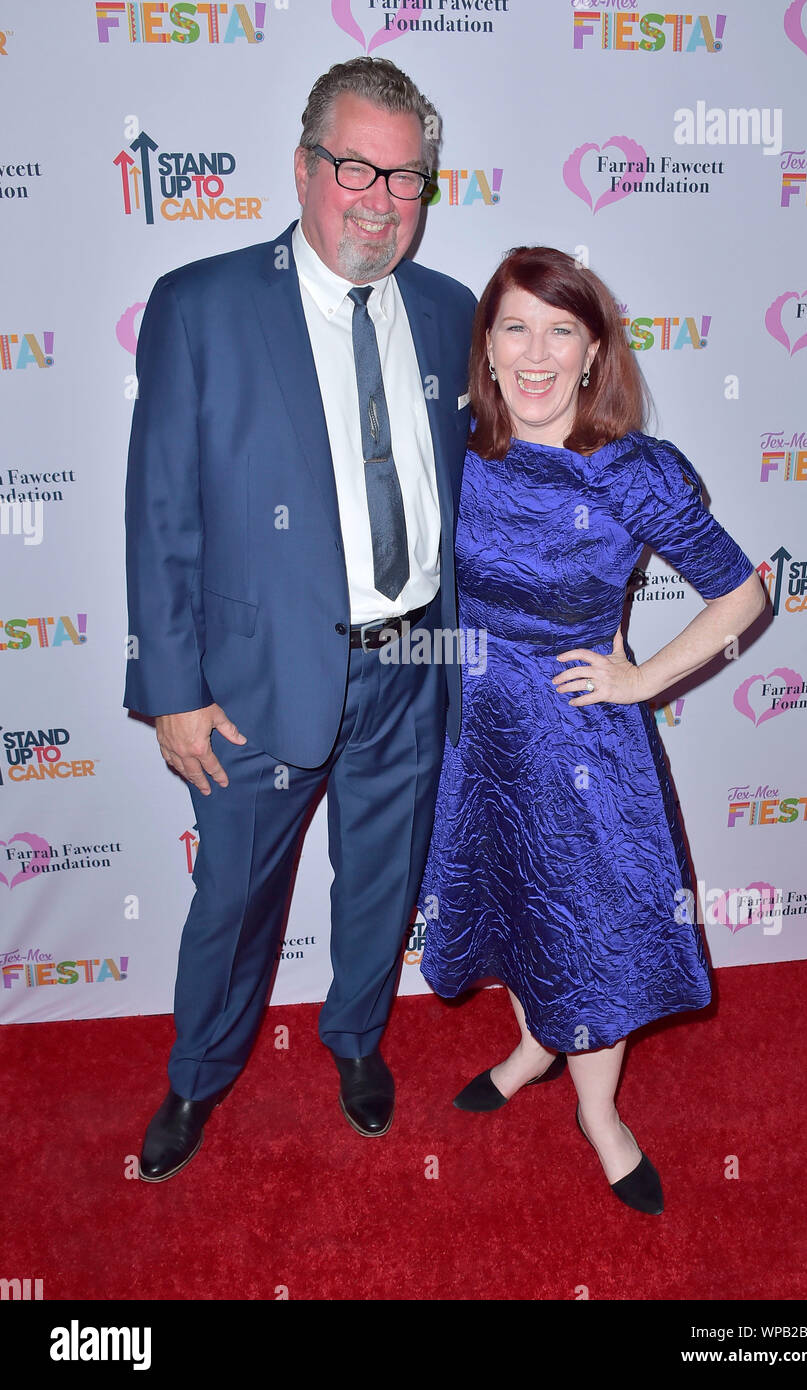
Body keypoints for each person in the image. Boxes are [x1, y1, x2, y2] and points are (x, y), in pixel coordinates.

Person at [123, 57, 476, 1181]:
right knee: (231, 902)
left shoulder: (448, 313)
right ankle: (195, 1075)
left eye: (405, 177)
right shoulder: (202, 305)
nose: (378, 199)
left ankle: (356, 1041)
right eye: (354, 168)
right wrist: (171, 689)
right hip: (253, 678)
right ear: (302, 167)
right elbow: (161, 512)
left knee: (383, 881)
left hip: (411, 660)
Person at [418, 246, 766, 1214]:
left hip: (576, 736)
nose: (535, 354)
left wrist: (641, 676)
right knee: (511, 905)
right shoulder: (456, 450)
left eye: (559, 331)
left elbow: (741, 591)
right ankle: (535, 1043)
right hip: (474, 728)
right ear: (484, 349)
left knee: (597, 932)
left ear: (591, 352)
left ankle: (598, 1115)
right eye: (514, 328)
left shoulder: (631, 472)